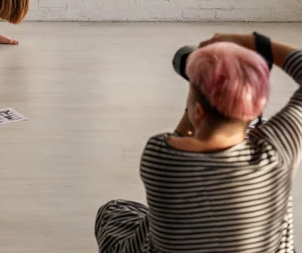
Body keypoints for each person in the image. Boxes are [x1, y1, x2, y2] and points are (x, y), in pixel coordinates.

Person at [95, 32, 302, 252]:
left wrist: (196, 95)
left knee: (114, 212)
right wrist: (253, 43)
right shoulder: (277, 152)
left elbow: (180, 138)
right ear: (256, 107)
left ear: (197, 110)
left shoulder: (158, 154)